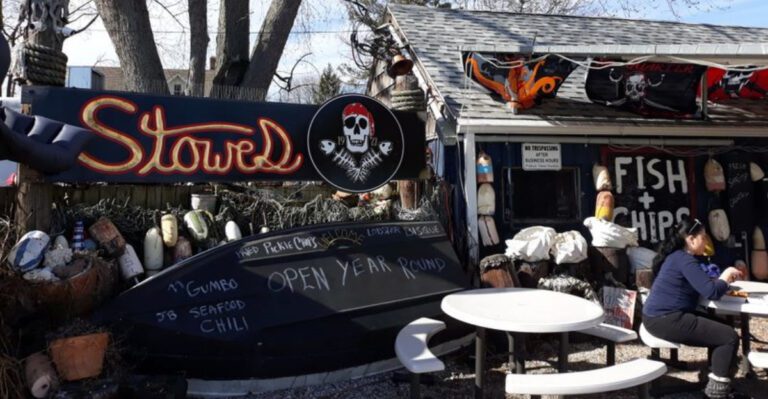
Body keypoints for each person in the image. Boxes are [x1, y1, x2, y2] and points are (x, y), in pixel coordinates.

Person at [642, 217, 748, 399]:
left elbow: (703, 285)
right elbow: (711, 292)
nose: (706, 241)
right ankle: (716, 393)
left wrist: (720, 281)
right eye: (703, 237)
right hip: (666, 319)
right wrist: (726, 275)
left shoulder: (678, 257)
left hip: (658, 316)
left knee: (723, 330)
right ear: (691, 239)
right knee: (728, 337)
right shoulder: (685, 260)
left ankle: (719, 379)